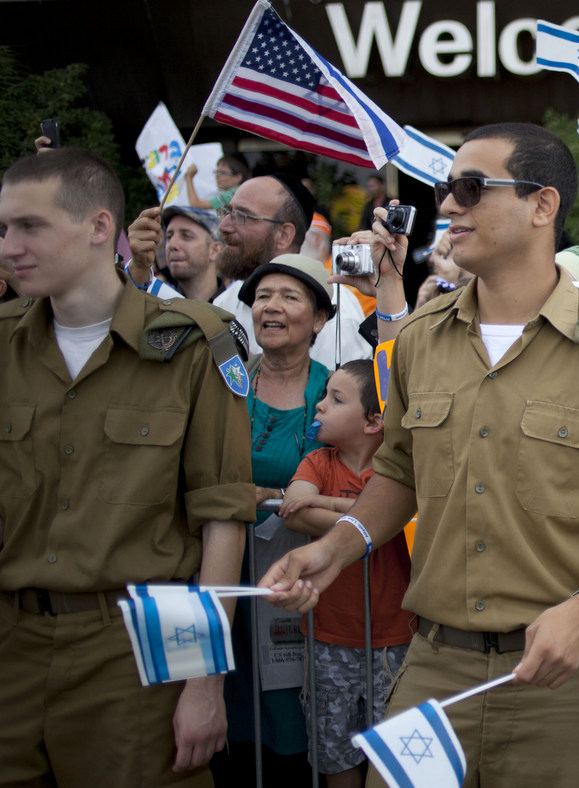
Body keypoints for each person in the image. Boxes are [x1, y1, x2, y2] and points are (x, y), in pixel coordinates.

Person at [257, 122, 579, 787]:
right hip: (436, 670)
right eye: (446, 188)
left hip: (570, 678)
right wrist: (337, 546)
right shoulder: (417, 341)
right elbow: (400, 472)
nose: (447, 205)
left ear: (542, 205)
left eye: (471, 188)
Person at [0, 148, 253, 786]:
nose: (9, 246)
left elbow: (222, 519)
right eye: (3, 228)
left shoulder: (195, 344)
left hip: (132, 655)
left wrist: (205, 683)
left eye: (30, 226)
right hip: (11, 648)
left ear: (98, 228)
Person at [214, 254, 336, 787]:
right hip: (222, 576)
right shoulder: (225, 381)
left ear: (319, 319)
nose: (272, 307)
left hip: (300, 586)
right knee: (227, 711)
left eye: (290, 297)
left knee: (290, 726)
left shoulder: (334, 393)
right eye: (263, 296)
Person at [278, 359, 412, 788]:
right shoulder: (318, 461)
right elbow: (295, 512)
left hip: (395, 640)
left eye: (335, 399)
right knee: (335, 753)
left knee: (392, 757)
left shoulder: (400, 473)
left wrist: (335, 506)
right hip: (329, 637)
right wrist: (372, 518)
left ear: (375, 421)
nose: (318, 406)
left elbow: (405, 514)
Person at [212, 174, 372, 368]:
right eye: (227, 212)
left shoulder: (335, 310)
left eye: (242, 216)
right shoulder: (225, 302)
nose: (224, 226)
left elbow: (340, 394)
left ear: (284, 235)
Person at [161, 206, 226, 302]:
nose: (172, 245)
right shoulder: (156, 309)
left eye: (186, 236)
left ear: (215, 250)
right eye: (169, 236)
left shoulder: (239, 309)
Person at [185, 155, 251, 213]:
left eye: (222, 172)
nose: (216, 176)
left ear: (238, 177)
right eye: (216, 172)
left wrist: (189, 177)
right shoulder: (243, 191)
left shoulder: (231, 195)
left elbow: (195, 205)